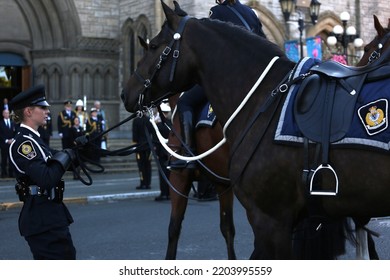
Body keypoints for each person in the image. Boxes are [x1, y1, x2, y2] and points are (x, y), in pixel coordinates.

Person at [169, 0, 267, 169]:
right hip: (255, 77)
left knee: (185, 102)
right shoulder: (250, 13)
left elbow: (213, 46)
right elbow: (264, 42)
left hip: (229, 77)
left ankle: (189, 153)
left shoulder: (217, 12)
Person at [8, 84, 77, 260]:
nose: (47, 111)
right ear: (29, 112)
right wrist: (65, 156)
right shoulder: (23, 144)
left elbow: (61, 161)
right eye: (42, 107)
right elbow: (46, 178)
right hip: (41, 217)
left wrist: (79, 149)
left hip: (50, 214)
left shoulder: (35, 141)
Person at [154, 102, 172, 201]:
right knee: (170, 173)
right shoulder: (171, 124)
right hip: (170, 151)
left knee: (163, 173)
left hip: (161, 152)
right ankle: (169, 193)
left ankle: (164, 193)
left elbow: (156, 141)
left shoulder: (159, 126)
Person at [132, 112, 153, 190]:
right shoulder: (149, 120)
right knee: (148, 165)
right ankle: (148, 183)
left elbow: (135, 134)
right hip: (148, 146)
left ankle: (143, 183)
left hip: (139, 146)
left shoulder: (136, 120)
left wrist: (134, 145)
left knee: (141, 166)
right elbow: (152, 133)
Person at [0, 109, 16, 178]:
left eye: (8, 113)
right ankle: (3, 173)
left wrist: (12, 139)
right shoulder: (0, 123)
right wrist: (6, 140)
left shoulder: (12, 123)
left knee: (11, 159)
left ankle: (11, 173)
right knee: (4, 159)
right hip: (4, 144)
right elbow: (0, 134)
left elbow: (15, 132)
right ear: (3, 114)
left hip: (11, 144)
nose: (7, 114)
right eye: (5, 113)